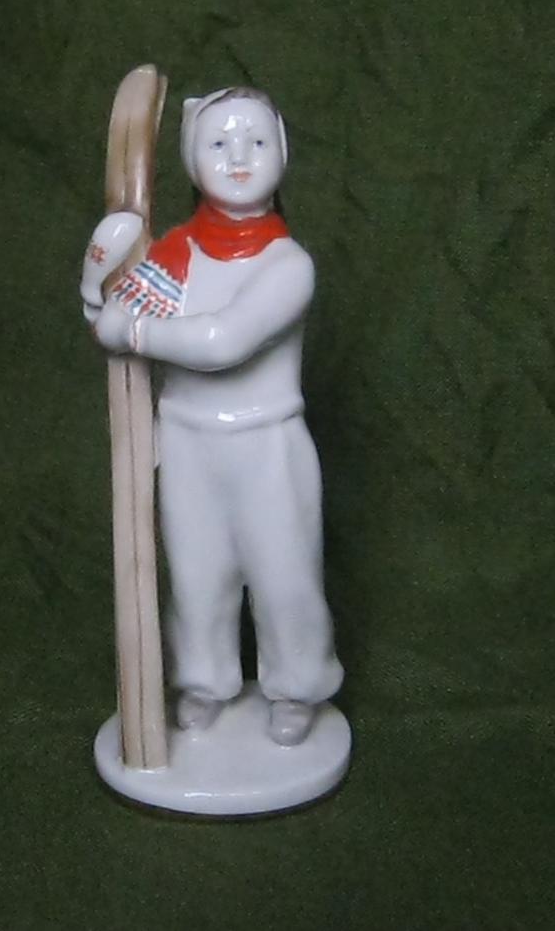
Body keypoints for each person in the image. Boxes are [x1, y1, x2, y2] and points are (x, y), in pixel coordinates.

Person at [81, 87, 344, 746]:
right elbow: (116, 310)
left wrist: (132, 333)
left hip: (265, 443)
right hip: (188, 440)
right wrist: (99, 290)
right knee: (197, 575)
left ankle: (297, 685)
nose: (238, 157)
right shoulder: (172, 256)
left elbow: (223, 340)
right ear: (192, 158)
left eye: (256, 141)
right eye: (218, 142)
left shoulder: (288, 266)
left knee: (284, 575)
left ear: (282, 152)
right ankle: (204, 680)